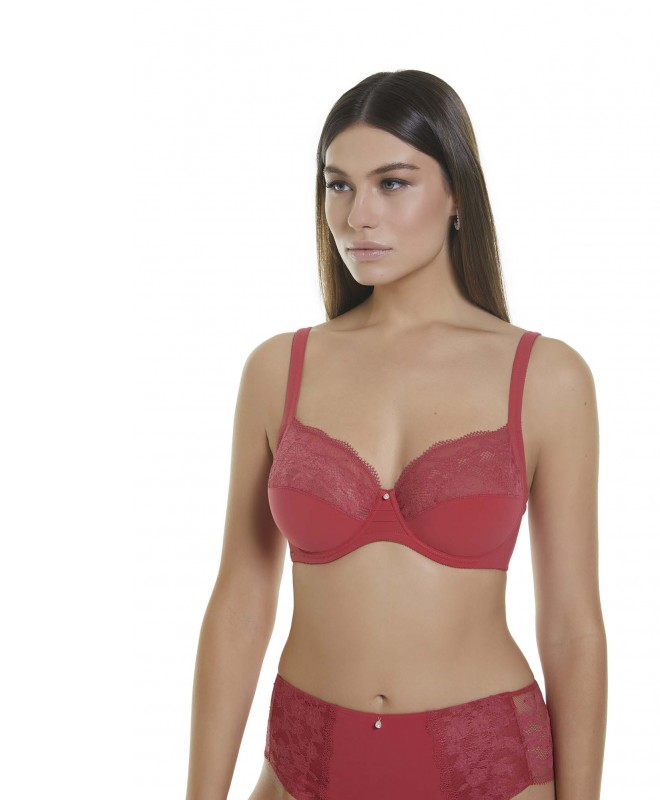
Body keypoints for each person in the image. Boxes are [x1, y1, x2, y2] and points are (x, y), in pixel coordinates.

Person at [186, 70, 607, 800]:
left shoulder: (546, 377)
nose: (358, 216)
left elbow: (572, 624)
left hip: (484, 765)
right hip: (305, 758)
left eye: (392, 183)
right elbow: (240, 604)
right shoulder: (278, 369)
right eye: (338, 185)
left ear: (457, 195)